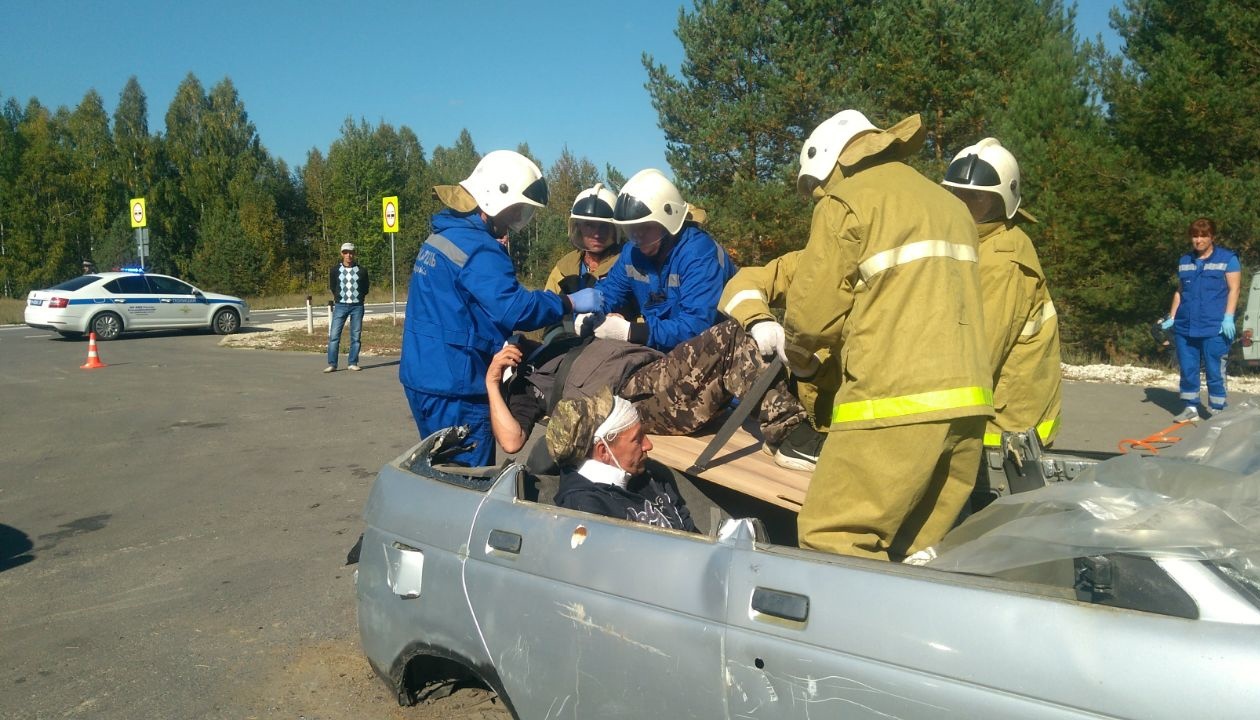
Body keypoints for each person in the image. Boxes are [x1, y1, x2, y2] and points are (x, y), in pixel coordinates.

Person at [784, 109, 993, 561]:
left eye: (817, 187)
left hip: (894, 405)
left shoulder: (848, 202)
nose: (819, 196)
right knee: (914, 552)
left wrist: (800, 360)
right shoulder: (951, 207)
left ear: (833, 163)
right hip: (968, 407)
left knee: (834, 541)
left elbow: (811, 319)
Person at [399, 150, 603, 467]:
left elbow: (461, 308)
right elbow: (515, 308)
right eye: (516, 209)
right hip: (456, 384)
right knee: (467, 481)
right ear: (496, 198)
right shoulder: (479, 247)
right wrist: (569, 302)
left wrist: (501, 339)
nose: (516, 217)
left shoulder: (447, 234)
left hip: (424, 374)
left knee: (439, 470)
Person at [486, 319, 813, 466]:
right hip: (634, 396)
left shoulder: (558, 342)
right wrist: (493, 383)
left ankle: (793, 427)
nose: (519, 340)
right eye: (511, 342)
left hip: (653, 375)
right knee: (726, 338)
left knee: (739, 347)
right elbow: (512, 441)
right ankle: (789, 433)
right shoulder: (525, 388)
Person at [940, 138, 1063, 454]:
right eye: (957, 195)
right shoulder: (974, 244)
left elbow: (979, 354)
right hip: (993, 419)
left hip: (1005, 431)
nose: (964, 206)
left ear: (1002, 202)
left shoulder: (1003, 259)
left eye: (976, 199)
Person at [585, 169, 736, 352]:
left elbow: (696, 326)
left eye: (645, 227)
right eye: (631, 229)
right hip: (662, 348)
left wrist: (630, 331)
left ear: (669, 222)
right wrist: (589, 313)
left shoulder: (698, 254)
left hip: (715, 350)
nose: (637, 236)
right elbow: (608, 292)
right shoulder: (632, 253)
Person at [546, 386, 698, 532]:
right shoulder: (586, 512)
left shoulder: (647, 472)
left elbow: (686, 525)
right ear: (604, 451)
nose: (648, 445)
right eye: (637, 439)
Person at [1161, 217, 1241, 421]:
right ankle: (1191, 408)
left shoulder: (1228, 259)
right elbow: (1180, 291)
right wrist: (1172, 316)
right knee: (1188, 369)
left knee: (1215, 370)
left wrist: (1229, 317)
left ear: (1212, 237)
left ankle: (1218, 409)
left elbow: (1234, 289)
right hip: (1186, 325)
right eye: (1195, 236)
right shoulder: (1185, 261)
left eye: (1203, 236)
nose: (1198, 240)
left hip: (1214, 326)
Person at [544, 183, 623, 294]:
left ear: (616, 229)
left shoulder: (627, 265)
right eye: (589, 225)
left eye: (603, 226)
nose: (597, 234)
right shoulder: (564, 267)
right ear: (578, 227)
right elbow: (548, 306)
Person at [325, 242, 369, 373]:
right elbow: (333, 286)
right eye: (345, 252)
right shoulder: (335, 270)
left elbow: (365, 288)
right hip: (340, 306)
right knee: (334, 336)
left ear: (354, 254)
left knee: (355, 336)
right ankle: (332, 364)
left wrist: (359, 297)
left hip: (357, 306)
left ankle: (352, 362)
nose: (348, 255)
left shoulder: (362, 271)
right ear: (341, 254)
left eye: (350, 252)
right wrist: (339, 297)